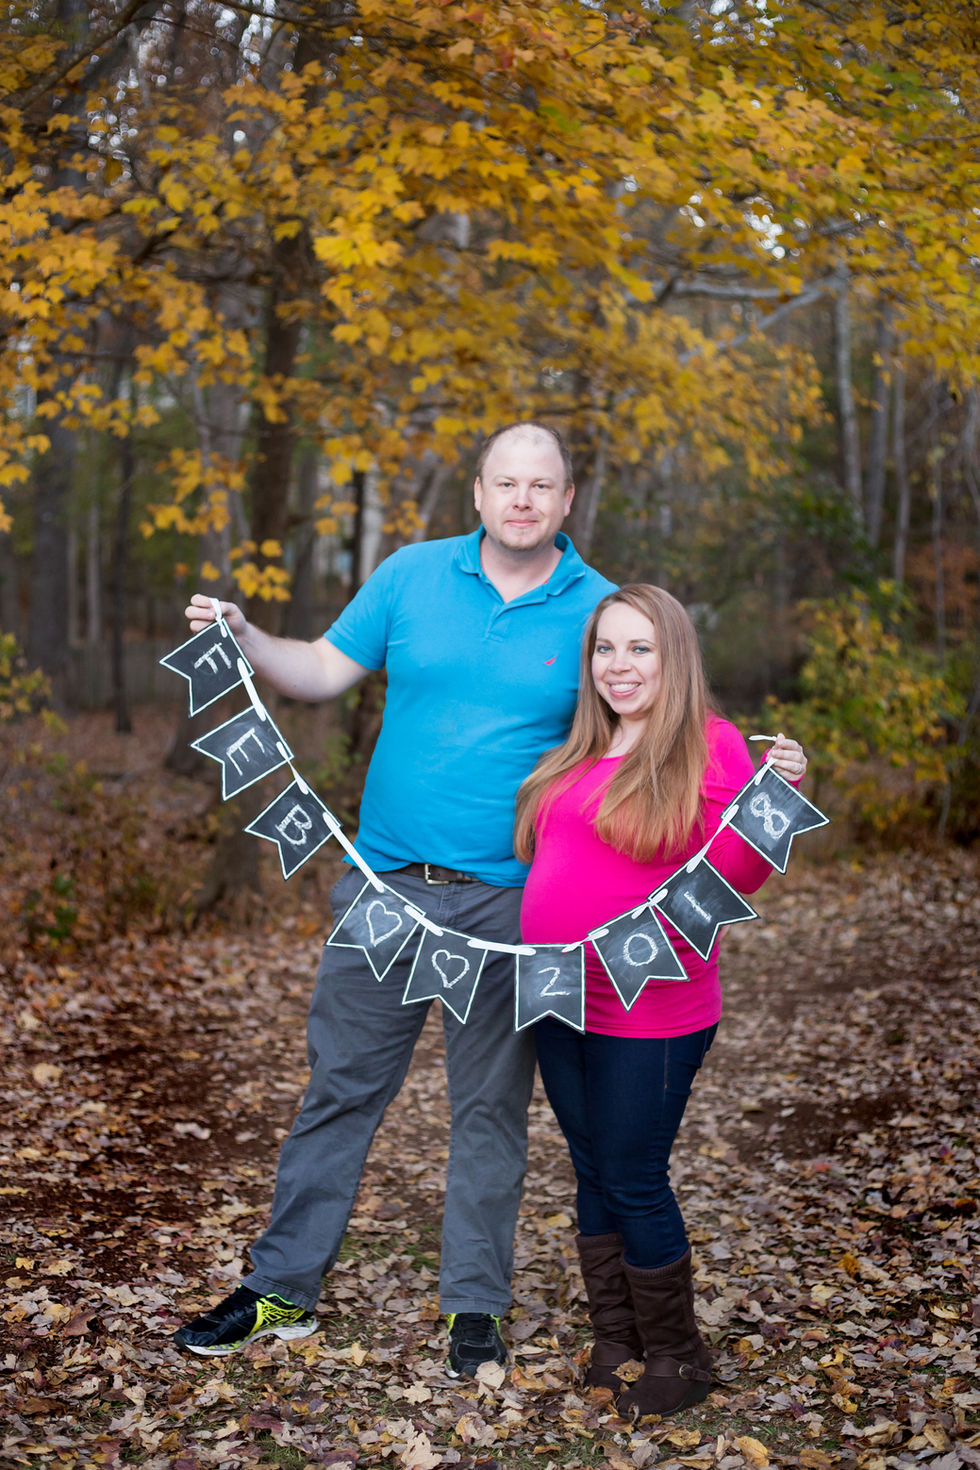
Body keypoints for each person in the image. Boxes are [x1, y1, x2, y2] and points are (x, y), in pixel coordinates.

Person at [171, 422, 614, 1376]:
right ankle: (281, 1290)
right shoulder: (411, 575)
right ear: (479, 493)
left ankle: (475, 1308)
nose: (523, 500)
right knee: (340, 1088)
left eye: (542, 485)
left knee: (490, 1112)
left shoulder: (597, 611)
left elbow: (648, 727)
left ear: (567, 500)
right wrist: (247, 637)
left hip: (509, 910)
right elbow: (322, 671)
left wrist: (749, 778)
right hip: (383, 889)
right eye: (507, 483)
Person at [515, 584, 807, 1418]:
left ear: (673, 654)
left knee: (633, 1174)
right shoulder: (578, 749)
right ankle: (617, 1338)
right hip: (557, 991)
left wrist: (771, 800)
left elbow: (739, 874)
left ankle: (679, 1356)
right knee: (590, 1168)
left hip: (651, 1002)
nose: (620, 665)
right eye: (605, 648)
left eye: (639, 648)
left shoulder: (710, 744)